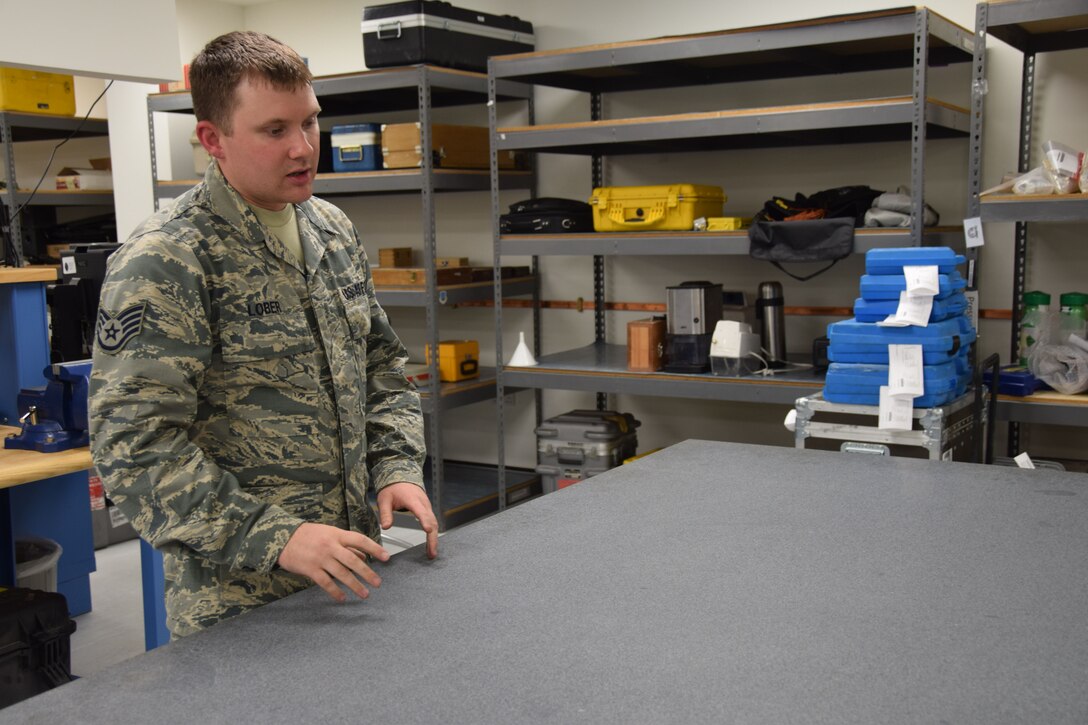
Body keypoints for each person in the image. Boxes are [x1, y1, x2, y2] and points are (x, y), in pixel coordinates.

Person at [89, 30, 438, 638]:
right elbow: (132, 448)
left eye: (310, 122)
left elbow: (380, 366)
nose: (304, 148)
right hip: (237, 602)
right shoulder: (168, 259)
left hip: (357, 573)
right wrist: (275, 537)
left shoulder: (331, 229)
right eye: (275, 130)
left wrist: (397, 466)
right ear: (212, 139)